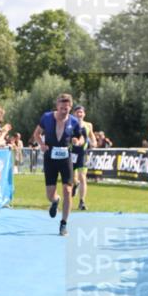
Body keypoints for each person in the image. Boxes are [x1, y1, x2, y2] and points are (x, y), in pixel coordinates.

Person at [30, 93, 85, 236]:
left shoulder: (73, 121)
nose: (63, 111)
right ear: (57, 106)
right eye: (61, 108)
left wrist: (77, 142)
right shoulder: (47, 117)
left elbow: (81, 137)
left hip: (65, 158)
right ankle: (55, 200)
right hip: (50, 158)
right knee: (50, 194)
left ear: (70, 107)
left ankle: (63, 224)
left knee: (68, 190)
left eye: (66, 109)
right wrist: (41, 144)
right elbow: (36, 134)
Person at [71, 103, 94, 212]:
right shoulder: (70, 123)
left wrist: (94, 142)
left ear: (84, 114)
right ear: (74, 113)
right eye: (77, 112)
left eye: (81, 112)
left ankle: (82, 201)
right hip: (72, 152)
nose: (79, 114)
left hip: (83, 153)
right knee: (71, 177)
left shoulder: (88, 125)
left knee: (82, 176)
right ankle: (75, 184)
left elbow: (91, 136)